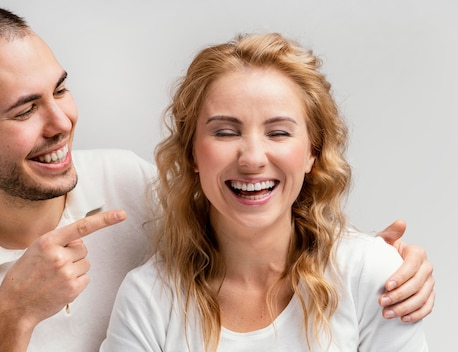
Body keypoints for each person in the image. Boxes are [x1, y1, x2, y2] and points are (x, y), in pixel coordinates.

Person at [0, 6, 432, 352]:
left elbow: (250, 200)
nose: (62, 123)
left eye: (60, 89)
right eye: (23, 110)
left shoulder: (128, 185)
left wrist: (371, 262)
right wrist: (11, 316)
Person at [100, 33, 428, 351]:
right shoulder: (148, 300)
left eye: (278, 132)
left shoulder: (371, 274)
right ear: (192, 154)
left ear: (312, 152)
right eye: (226, 132)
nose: (253, 159)